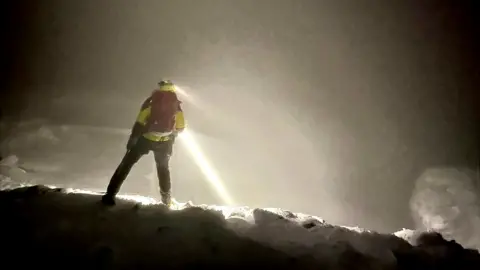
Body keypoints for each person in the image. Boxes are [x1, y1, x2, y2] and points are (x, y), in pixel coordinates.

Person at [101, 80, 186, 206]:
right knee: (163, 170)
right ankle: (166, 201)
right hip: (165, 142)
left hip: (145, 139)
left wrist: (133, 139)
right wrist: (171, 134)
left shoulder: (150, 103)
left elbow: (139, 123)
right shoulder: (176, 107)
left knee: (126, 165)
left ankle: (110, 195)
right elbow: (181, 127)